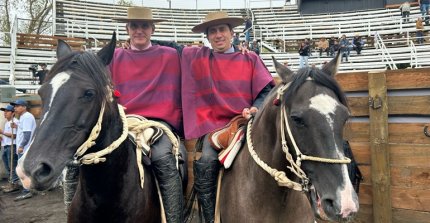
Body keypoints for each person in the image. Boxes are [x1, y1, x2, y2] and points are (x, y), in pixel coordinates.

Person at [181, 11, 274, 222]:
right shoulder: (198, 56)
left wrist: (255, 108)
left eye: (222, 29)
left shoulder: (250, 57)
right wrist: (130, 43)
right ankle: (210, 216)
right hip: (214, 126)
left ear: (232, 33)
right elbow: (169, 47)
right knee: (206, 161)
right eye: (212, 31)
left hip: (247, 123)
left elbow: (266, 91)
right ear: (207, 37)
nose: (218, 35)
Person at [111, 7, 184, 222]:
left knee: (164, 160)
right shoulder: (114, 57)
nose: (139, 31)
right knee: (83, 160)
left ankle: (174, 219)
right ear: (127, 29)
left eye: (144, 26)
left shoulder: (170, 55)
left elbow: (204, 56)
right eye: (134, 26)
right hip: (123, 123)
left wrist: (238, 49)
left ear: (152, 29)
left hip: (158, 124)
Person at [10, 99, 36, 201]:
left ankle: (27, 191)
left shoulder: (27, 117)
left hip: (25, 148)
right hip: (24, 148)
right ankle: (28, 189)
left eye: (17, 106)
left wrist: (21, 146)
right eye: (15, 106)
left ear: (24, 107)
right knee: (24, 171)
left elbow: (27, 134)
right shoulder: (23, 117)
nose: (15, 108)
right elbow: (24, 129)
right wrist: (17, 126)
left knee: (22, 171)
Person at [0, 105, 19, 193]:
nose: (5, 113)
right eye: (4, 111)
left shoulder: (14, 122)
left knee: (12, 166)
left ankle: (14, 184)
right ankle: (10, 183)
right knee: (8, 166)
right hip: (6, 146)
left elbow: (14, 136)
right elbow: (7, 136)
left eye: (7, 111)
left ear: (13, 113)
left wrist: (2, 132)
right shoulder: (7, 122)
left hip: (12, 146)